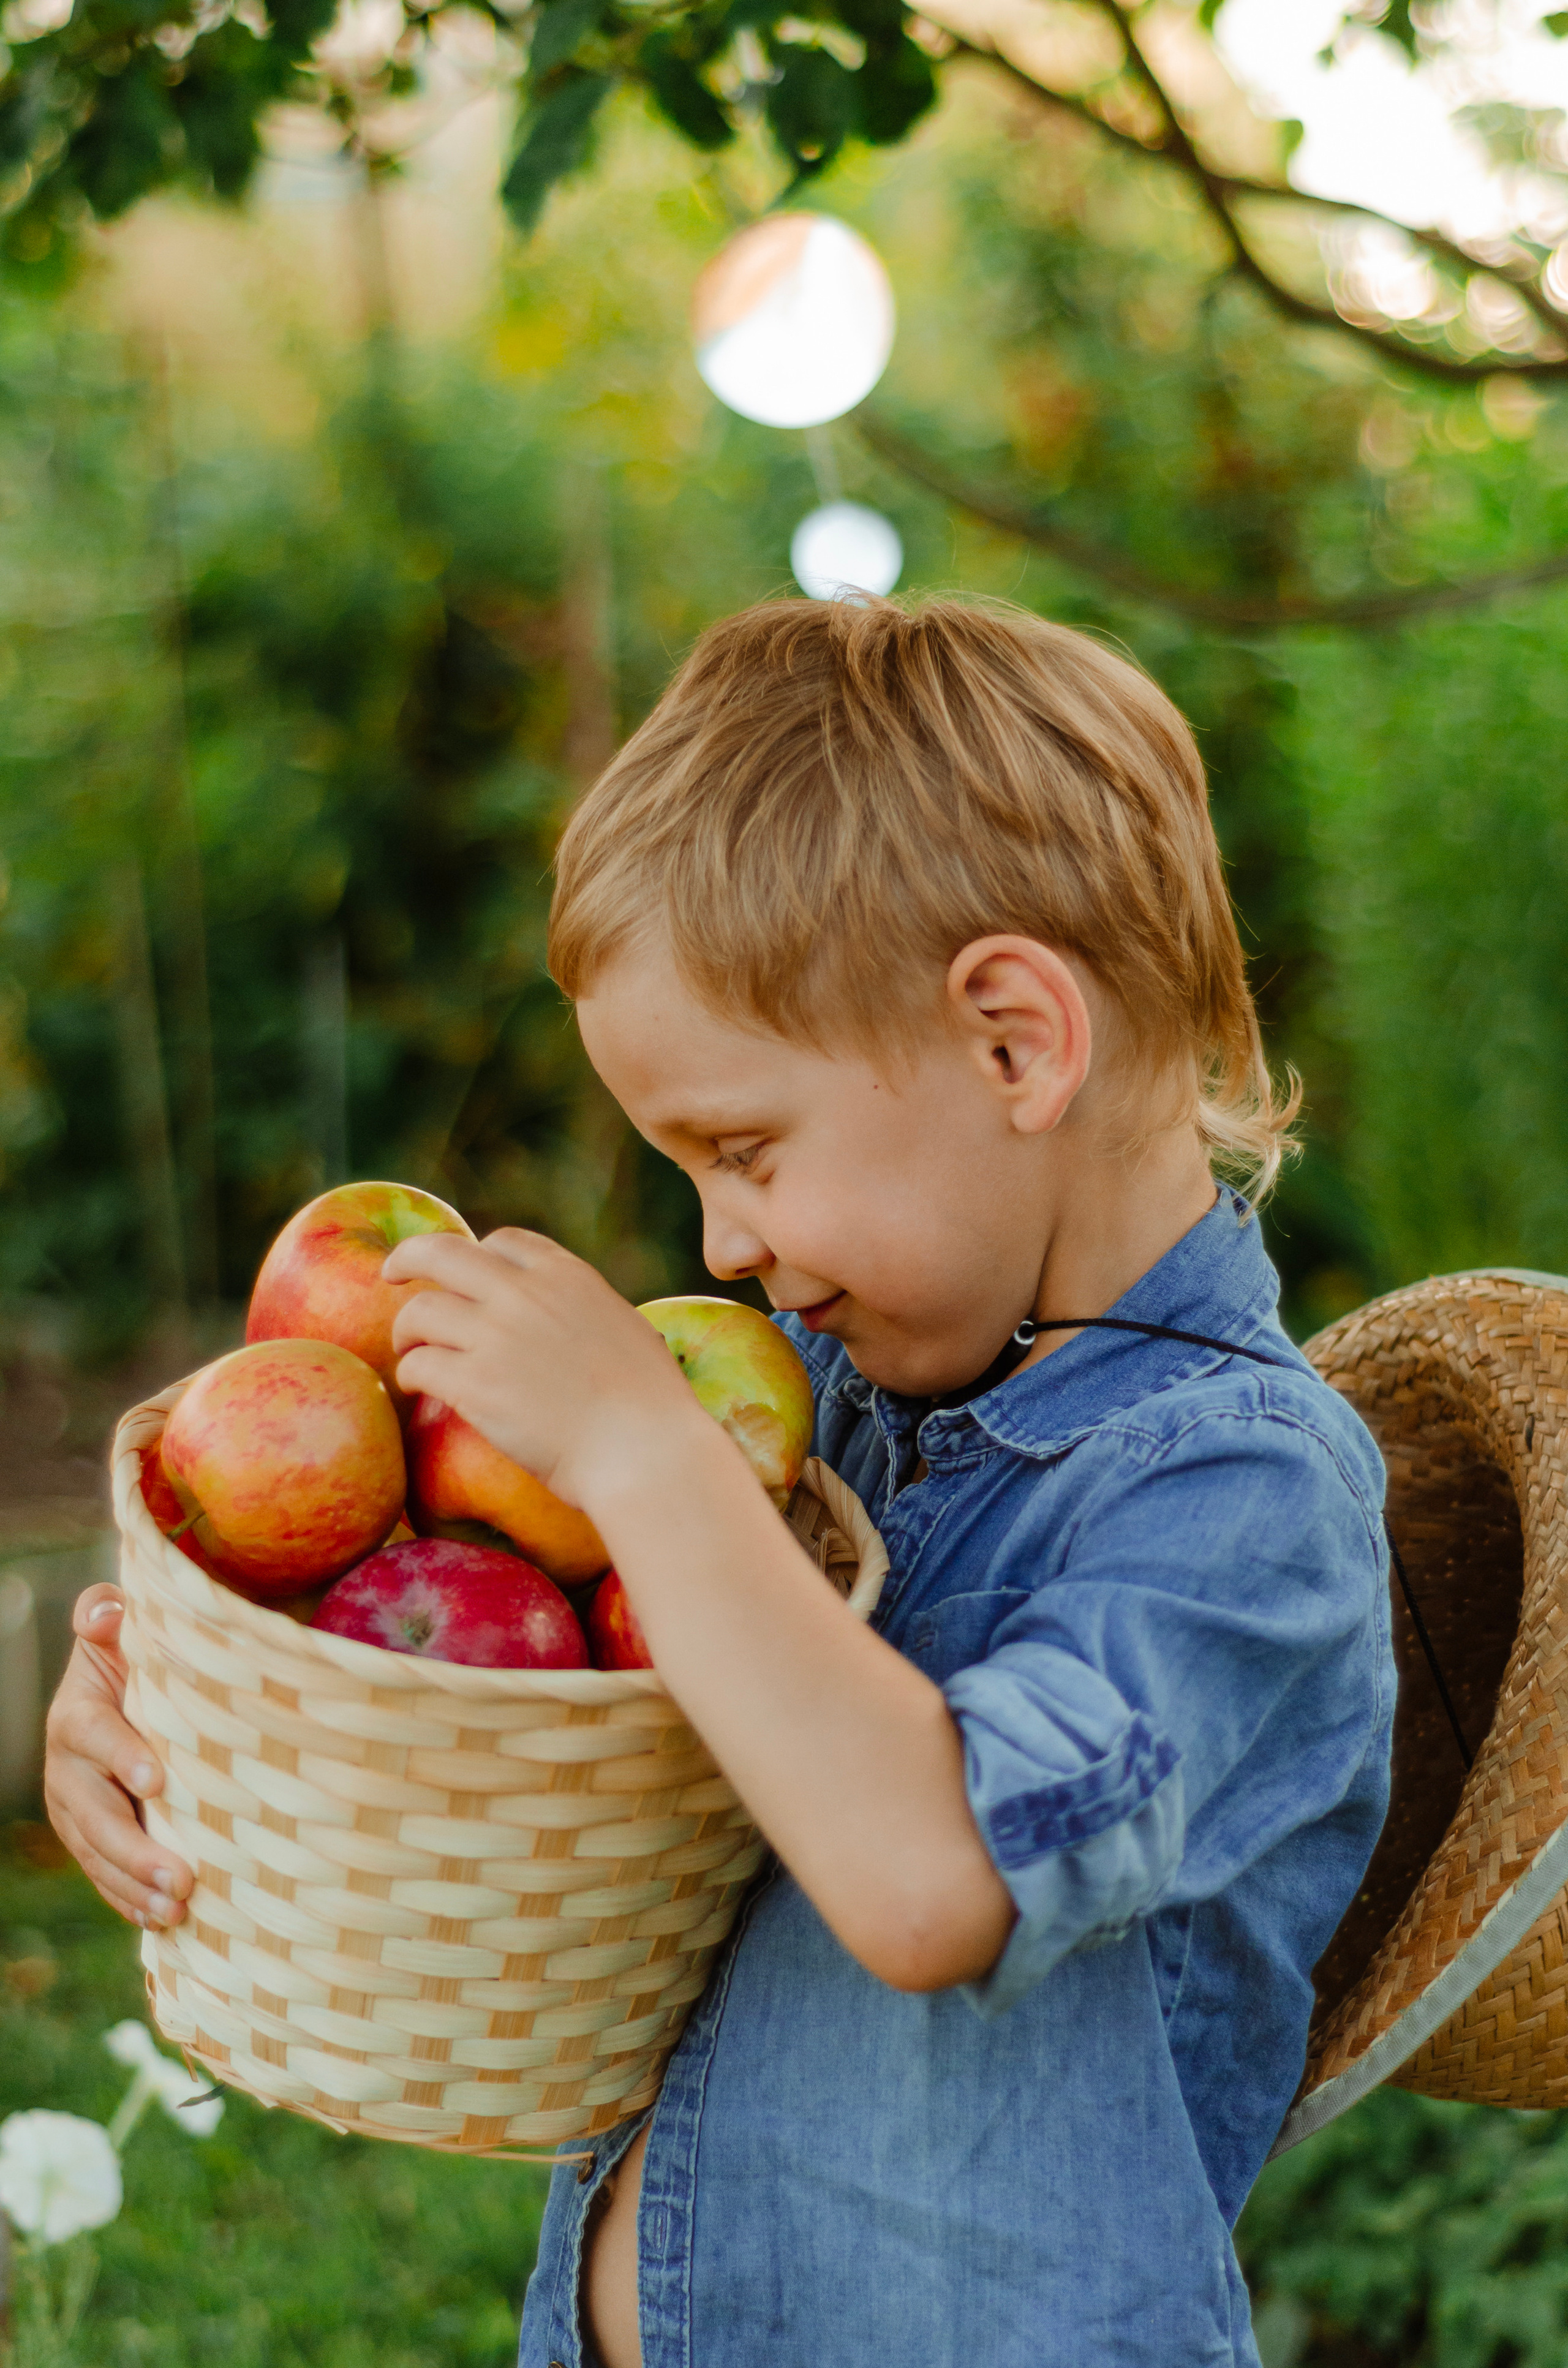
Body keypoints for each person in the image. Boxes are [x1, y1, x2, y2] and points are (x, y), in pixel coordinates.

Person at [45, 596, 1394, 2368]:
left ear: (1014, 1042)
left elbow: (935, 1878)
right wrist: (195, 1692)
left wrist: (637, 1450)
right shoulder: (811, 1413)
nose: (720, 1239)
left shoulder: (1238, 1494)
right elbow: (510, 1672)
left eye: (744, 1149)